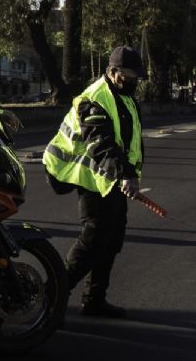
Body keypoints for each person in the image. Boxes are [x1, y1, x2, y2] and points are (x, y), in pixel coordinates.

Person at [42, 45, 146, 318]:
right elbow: (100, 144)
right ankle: (48, 302)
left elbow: (128, 141)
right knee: (93, 239)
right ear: (113, 72)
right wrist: (124, 174)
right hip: (86, 174)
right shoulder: (95, 98)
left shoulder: (124, 96)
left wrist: (130, 174)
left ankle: (94, 300)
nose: (135, 80)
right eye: (130, 75)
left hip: (107, 177)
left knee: (111, 239)